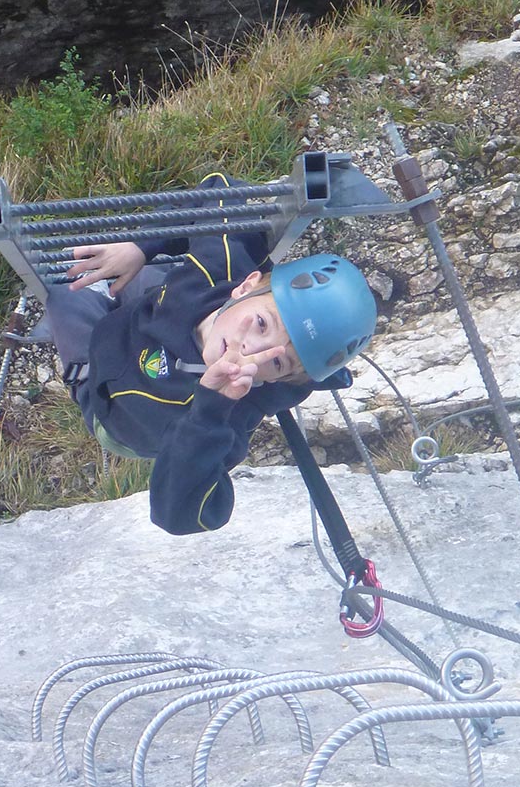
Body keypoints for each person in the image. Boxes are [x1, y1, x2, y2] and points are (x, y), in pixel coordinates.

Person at [42, 173, 377, 536]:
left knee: (64, 294)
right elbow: (219, 189)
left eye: (277, 363)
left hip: (111, 407)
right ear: (246, 286)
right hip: (144, 319)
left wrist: (209, 411)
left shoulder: (231, 417)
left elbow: (179, 515)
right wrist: (140, 247)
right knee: (149, 272)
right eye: (262, 323)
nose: (254, 352)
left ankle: (82, 372)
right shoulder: (222, 271)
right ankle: (134, 283)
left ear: (279, 380)